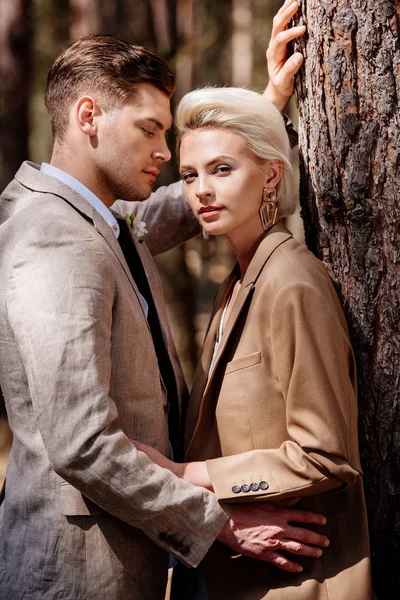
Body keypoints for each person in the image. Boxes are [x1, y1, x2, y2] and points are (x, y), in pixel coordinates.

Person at [0, 11, 329, 600]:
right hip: (79, 577)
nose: (164, 149)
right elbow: (82, 443)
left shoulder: (100, 220)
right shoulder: (50, 237)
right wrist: (218, 523)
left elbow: (198, 197)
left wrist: (267, 105)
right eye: (150, 129)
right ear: (88, 117)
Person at [133, 15, 374, 600]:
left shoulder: (291, 283)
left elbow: (325, 454)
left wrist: (185, 476)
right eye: (189, 175)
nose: (201, 191)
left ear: (272, 174)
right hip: (230, 575)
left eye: (221, 170)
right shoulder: (237, 284)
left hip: (295, 579)